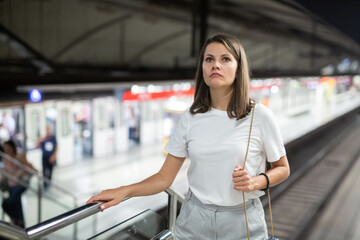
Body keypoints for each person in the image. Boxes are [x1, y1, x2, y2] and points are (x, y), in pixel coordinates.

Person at [87, 33, 290, 239]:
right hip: (195, 219)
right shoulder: (192, 117)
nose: (215, 65)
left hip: (242, 220)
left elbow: (282, 168)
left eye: (225, 59)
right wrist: (124, 191)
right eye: (209, 59)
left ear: (238, 69)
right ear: (202, 69)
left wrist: (256, 182)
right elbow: (164, 179)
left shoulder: (259, 115)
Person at [0, 140, 34, 228]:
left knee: (11, 201)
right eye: (5, 149)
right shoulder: (5, 158)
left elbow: (28, 167)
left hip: (20, 183)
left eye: (8, 148)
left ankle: (19, 222)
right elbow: (5, 173)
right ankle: (19, 223)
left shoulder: (19, 156)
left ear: (12, 148)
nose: (6, 150)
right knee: (12, 204)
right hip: (11, 185)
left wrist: (22, 172)